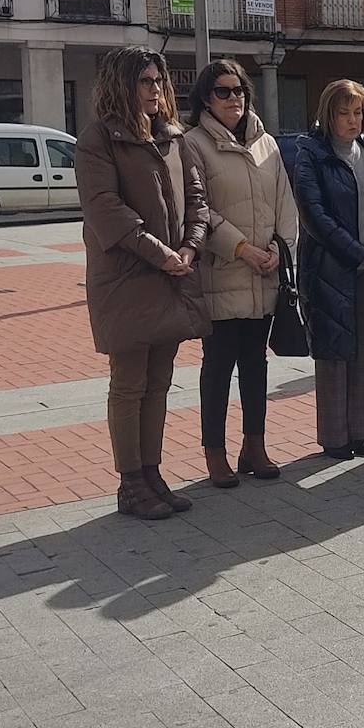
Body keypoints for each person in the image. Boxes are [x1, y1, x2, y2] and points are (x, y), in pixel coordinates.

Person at [76, 47, 210, 520]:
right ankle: (130, 483)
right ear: (121, 84)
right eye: (146, 81)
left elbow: (197, 196)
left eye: (159, 80)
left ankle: (152, 473)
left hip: (173, 272)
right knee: (129, 383)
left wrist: (191, 247)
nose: (157, 89)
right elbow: (106, 210)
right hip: (128, 278)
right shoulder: (98, 141)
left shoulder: (173, 136)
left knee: (159, 382)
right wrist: (162, 253)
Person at [186, 60, 299, 487]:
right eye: (222, 91)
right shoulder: (193, 144)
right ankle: (214, 452)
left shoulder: (266, 143)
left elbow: (285, 203)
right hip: (222, 273)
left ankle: (255, 445)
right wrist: (240, 247)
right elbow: (197, 210)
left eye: (239, 90)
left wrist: (277, 248)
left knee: (256, 365)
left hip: (264, 275)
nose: (233, 98)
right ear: (205, 98)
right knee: (217, 367)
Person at [292, 79, 364, 460]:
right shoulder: (311, 153)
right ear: (328, 115)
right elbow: (314, 215)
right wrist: (358, 252)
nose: (353, 120)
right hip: (330, 269)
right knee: (334, 353)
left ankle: (360, 432)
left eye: (358, 112)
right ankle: (335, 438)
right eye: (344, 113)